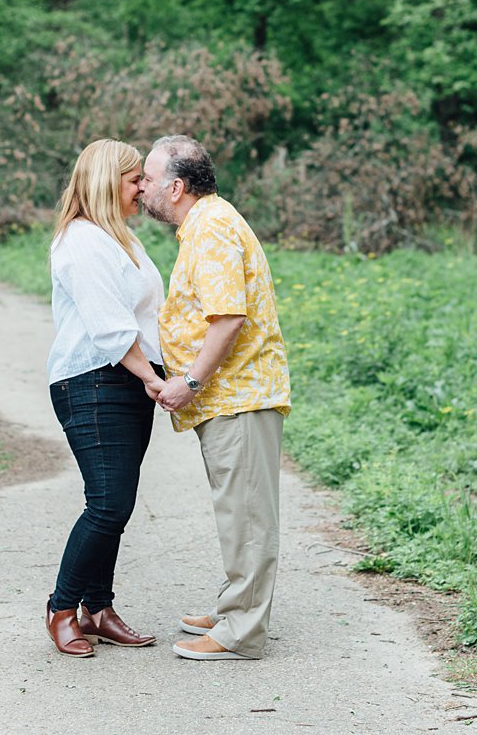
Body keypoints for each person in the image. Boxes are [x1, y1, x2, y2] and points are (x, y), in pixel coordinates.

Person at [139, 134, 291, 662]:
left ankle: (241, 632)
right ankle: (236, 606)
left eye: (149, 179)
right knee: (238, 511)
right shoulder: (202, 225)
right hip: (231, 398)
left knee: (247, 516)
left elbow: (228, 317)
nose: (140, 188)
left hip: (237, 396)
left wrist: (190, 381)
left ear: (176, 187)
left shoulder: (211, 228)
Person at [44, 139, 167, 657]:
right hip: (94, 382)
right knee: (108, 504)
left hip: (126, 380)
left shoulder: (121, 239)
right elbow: (110, 327)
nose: (143, 188)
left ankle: (98, 609)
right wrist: (153, 379)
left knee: (117, 504)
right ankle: (62, 608)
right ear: (104, 181)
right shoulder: (81, 241)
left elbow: (147, 316)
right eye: (135, 179)